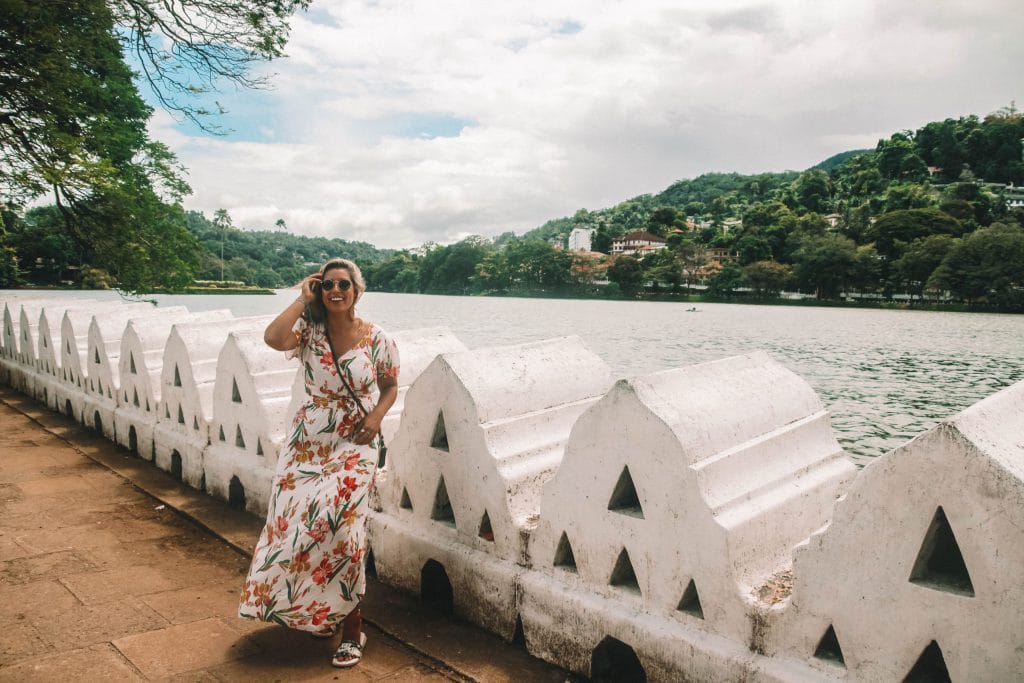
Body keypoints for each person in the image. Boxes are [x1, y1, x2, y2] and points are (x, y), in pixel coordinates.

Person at [239, 258, 399, 669]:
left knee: (344, 531)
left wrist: (376, 417)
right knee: (294, 529)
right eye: (327, 285)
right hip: (308, 444)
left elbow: (390, 386)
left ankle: (352, 629)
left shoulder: (376, 337)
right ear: (319, 289)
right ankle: (322, 611)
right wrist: (300, 298)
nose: (336, 291)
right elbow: (273, 338)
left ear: (356, 290)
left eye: (343, 284)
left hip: (356, 441)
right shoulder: (309, 332)